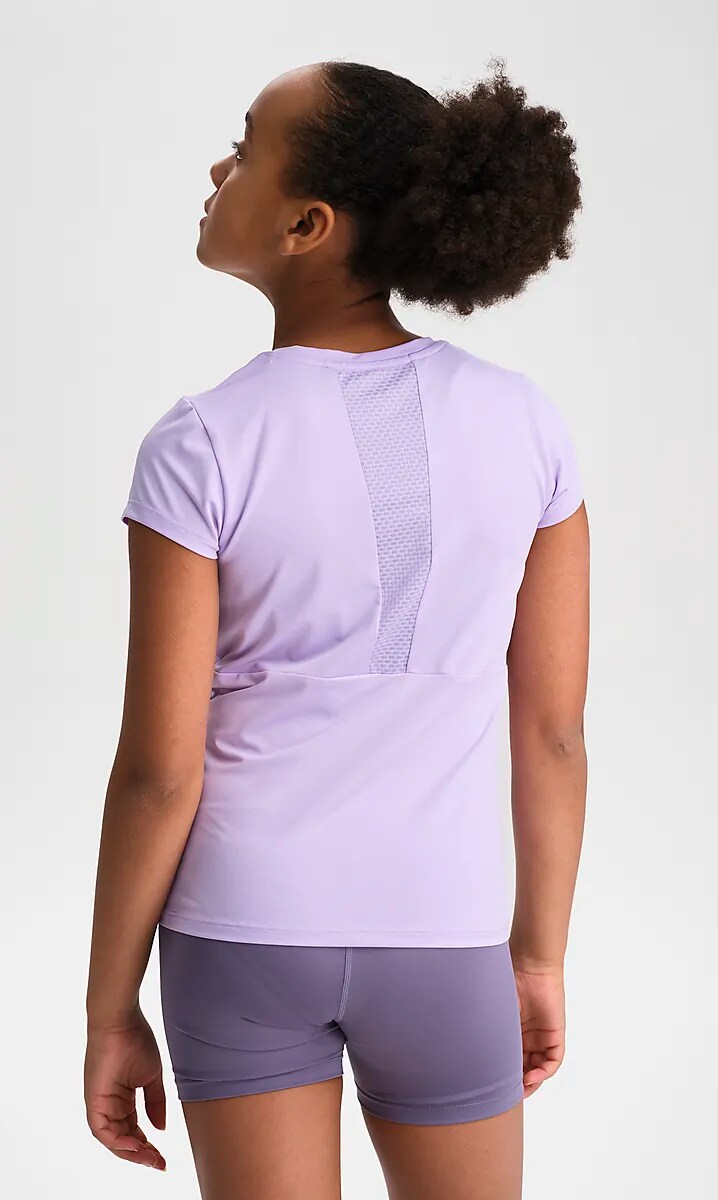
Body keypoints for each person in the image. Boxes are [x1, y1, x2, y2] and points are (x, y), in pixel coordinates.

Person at [83, 56, 589, 1200]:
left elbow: (159, 773)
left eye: (244, 149)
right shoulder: (527, 426)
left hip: (243, 930)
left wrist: (110, 1008)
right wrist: (539, 952)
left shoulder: (201, 443)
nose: (217, 169)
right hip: (445, 933)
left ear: (307, 225)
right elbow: (554, 733)